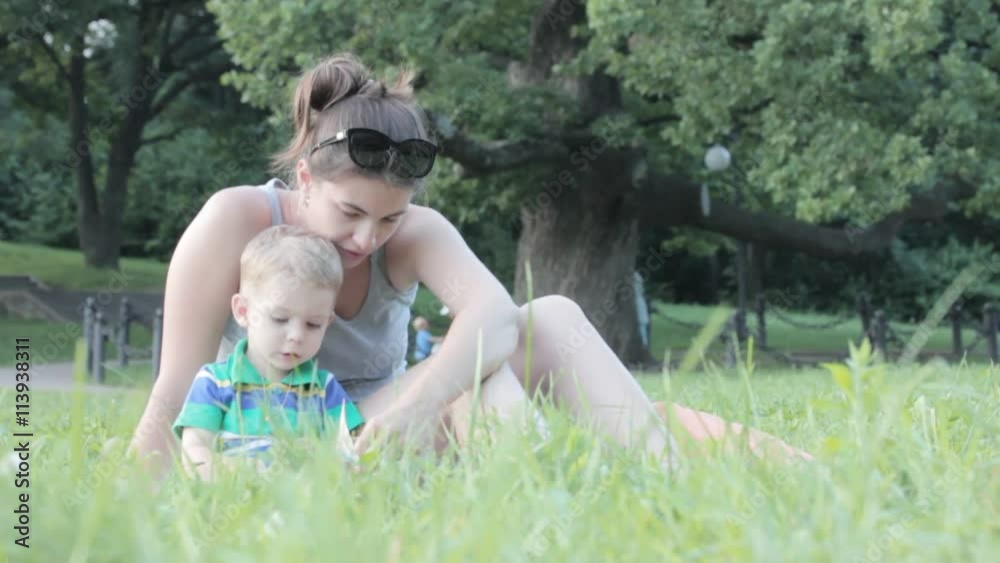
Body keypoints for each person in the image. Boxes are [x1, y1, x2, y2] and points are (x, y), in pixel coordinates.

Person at [130, 52, 808, 476]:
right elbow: (176, 386)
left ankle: (665, 484)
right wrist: (149, 491)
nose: (368, 238)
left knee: (551, 316)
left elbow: (499, 318)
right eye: (348, 214)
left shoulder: (416, 232)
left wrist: (419, 402)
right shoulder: (236, 219)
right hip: (298, 441)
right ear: (306, 177)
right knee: (482, 382)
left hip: (397, 430)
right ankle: (567, 494)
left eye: (389, 217)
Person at [172, 225, 364, 480]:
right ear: (243, 312)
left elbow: (350, 453)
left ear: (327, 323)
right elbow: (194, 453)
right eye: (280, 318)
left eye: (312, 324)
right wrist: (246, 474)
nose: (296, 335)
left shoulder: (324, 389)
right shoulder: (214, 382)